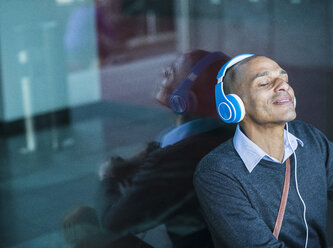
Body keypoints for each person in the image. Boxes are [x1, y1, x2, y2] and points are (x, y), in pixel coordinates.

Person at [193, 54, 333, 248]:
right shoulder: (216, 172)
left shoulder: (308, 137)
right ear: (233, 106)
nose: (284, 86)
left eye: (284, 79)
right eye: (264, 83)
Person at [63, 50, 234, 248]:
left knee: (80, 221)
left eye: (171, 72)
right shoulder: (231, 134)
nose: (163, 73)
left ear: (185, 99)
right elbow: (170, 145)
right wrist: (145, 157)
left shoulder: (174, 160)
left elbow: (113, 223)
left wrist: (107, 177)